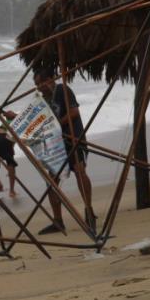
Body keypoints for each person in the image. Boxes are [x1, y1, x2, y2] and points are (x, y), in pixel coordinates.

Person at [32, 67, 95, 234]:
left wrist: (57, 124)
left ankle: (89, 211)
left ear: (51, 79)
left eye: (42, 82)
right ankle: (58, 220)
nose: (40, 87)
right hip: (56, 144)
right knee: (51, 182)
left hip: (73, 138)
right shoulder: (42, 100)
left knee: (80, 173)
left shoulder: (62, 90)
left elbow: (74, 111)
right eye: (37, 84)